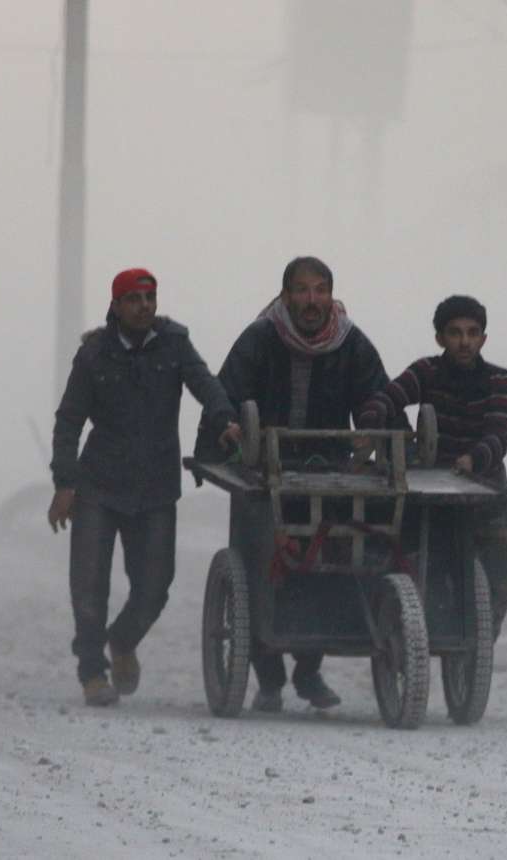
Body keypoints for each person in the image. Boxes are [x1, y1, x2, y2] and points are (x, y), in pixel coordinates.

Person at [204, 255, 395, 712]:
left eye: (321, 290)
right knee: (259, 568)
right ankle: (267, 679)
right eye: (303, 290)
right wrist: (226, 429)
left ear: (331, 294)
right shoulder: (259, 339)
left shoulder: (352, 344)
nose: (312, 300)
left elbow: (379, 396)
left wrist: (376, 428)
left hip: (328, 474)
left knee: (326, 566)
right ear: (286, 295)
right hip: (263, 474)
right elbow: (223, 395)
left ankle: (308, 673)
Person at [49, 268, 241, 706]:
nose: (144, 306)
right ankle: (92, 672)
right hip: (98, 485)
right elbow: (69, 419)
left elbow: (204, 384)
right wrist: (65, 483)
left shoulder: (173, 344)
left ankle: (123, 639)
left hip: (155, 487)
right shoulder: (94, 354)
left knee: (155, 585)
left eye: (150, 297)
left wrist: (226, 420)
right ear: (116, 305)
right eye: (134, 299)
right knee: (89, 585)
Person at [356, 294, 507, 640]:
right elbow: (386, 399)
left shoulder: (502, 381)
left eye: (473, 333)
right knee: (410, 556)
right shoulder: (426, 372)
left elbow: (497, 436)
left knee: (500, 569)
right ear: (440, 338)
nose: (464, 341)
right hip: (429, 486)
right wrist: (371, 430)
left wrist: (472, 460)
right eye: (455, 333)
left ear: (483, 339)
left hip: (484, 486)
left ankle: (478, 647)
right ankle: (403, 630)